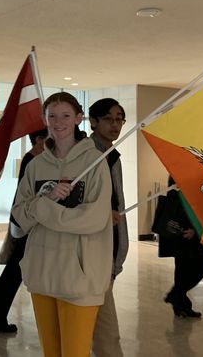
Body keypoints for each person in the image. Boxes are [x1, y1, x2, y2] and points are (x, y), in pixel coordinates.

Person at [11, 92, 112, 357]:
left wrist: (43, 209)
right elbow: (20, 216)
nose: (58, 122)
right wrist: (45, 202)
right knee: (50, 353)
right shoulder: (35, 165)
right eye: (52, 116)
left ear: (79, 118)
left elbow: (94, 219)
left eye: (65, 115)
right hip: (41, 273)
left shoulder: (95, 162)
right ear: (44, 119)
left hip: (79, 278)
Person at [0, 127, 48, 333]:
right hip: (27, 222)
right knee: (15, 270)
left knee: (15, 270)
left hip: (29, 221)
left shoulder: (37, 160)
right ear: (38, 140)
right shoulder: (33, 161)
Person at [88, 98, 127, 357]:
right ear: (93, 122)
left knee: (100, 331)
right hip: (92, 256)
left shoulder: (111, 155)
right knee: (105, 333)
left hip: (107, 255)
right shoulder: (87, 156)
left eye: (120, 119)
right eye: (109, 119)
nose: (116, 125)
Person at [157, 178, 203, 318]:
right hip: (184, 232)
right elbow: (185, 203)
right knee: (202, 265)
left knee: (182, 269)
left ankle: (180, 303)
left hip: (180, 231)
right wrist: (193, 227)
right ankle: (177, 297)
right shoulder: (181, 174)